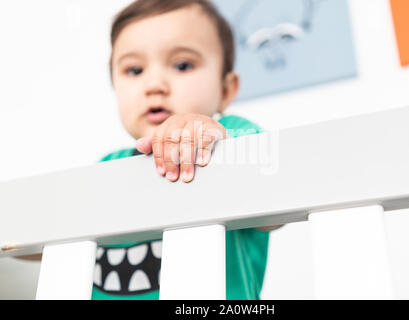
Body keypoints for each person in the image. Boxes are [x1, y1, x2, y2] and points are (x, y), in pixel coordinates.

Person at [17, 0, 282, 300]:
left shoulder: (231, 139)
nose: (154, 84)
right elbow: (42, 242)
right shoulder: (106, 167)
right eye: (134, 70)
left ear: (226, 89)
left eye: (182, 65)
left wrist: (207, 137)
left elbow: (279, 197)